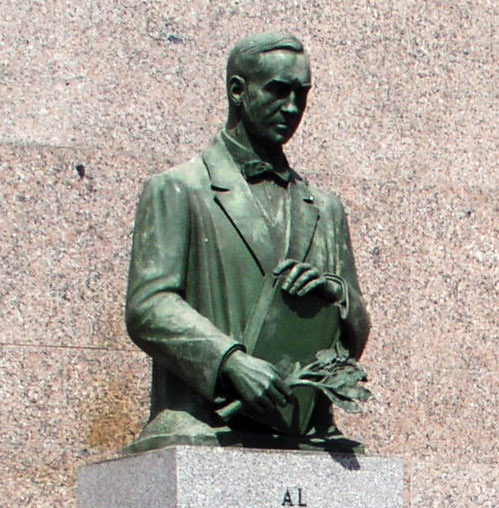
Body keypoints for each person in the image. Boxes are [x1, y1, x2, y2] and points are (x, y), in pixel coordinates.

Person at [123, 31, 370, 452]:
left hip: (301, 426)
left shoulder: (325, 209)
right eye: (277, 91)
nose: (292, 108)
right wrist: (229, 361)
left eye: (301, 94)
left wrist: (336, 297)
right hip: (205, 421)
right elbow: (149, 306)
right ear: (238, 91)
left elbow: (358, 332)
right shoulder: (179, 189)